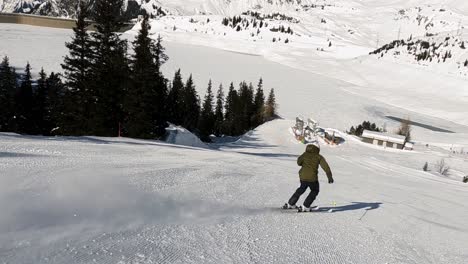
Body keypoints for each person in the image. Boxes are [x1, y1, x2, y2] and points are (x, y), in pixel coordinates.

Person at [283, 142, 334, 212]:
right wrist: (330, 177)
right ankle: (306, 206)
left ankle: (291, 203)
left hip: (302, 176)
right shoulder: (319, 156)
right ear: (317, 149)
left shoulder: (304, 154)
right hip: (312, 178)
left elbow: (298, 162)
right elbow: (326, 167)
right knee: (315, 190)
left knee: (301, 188)